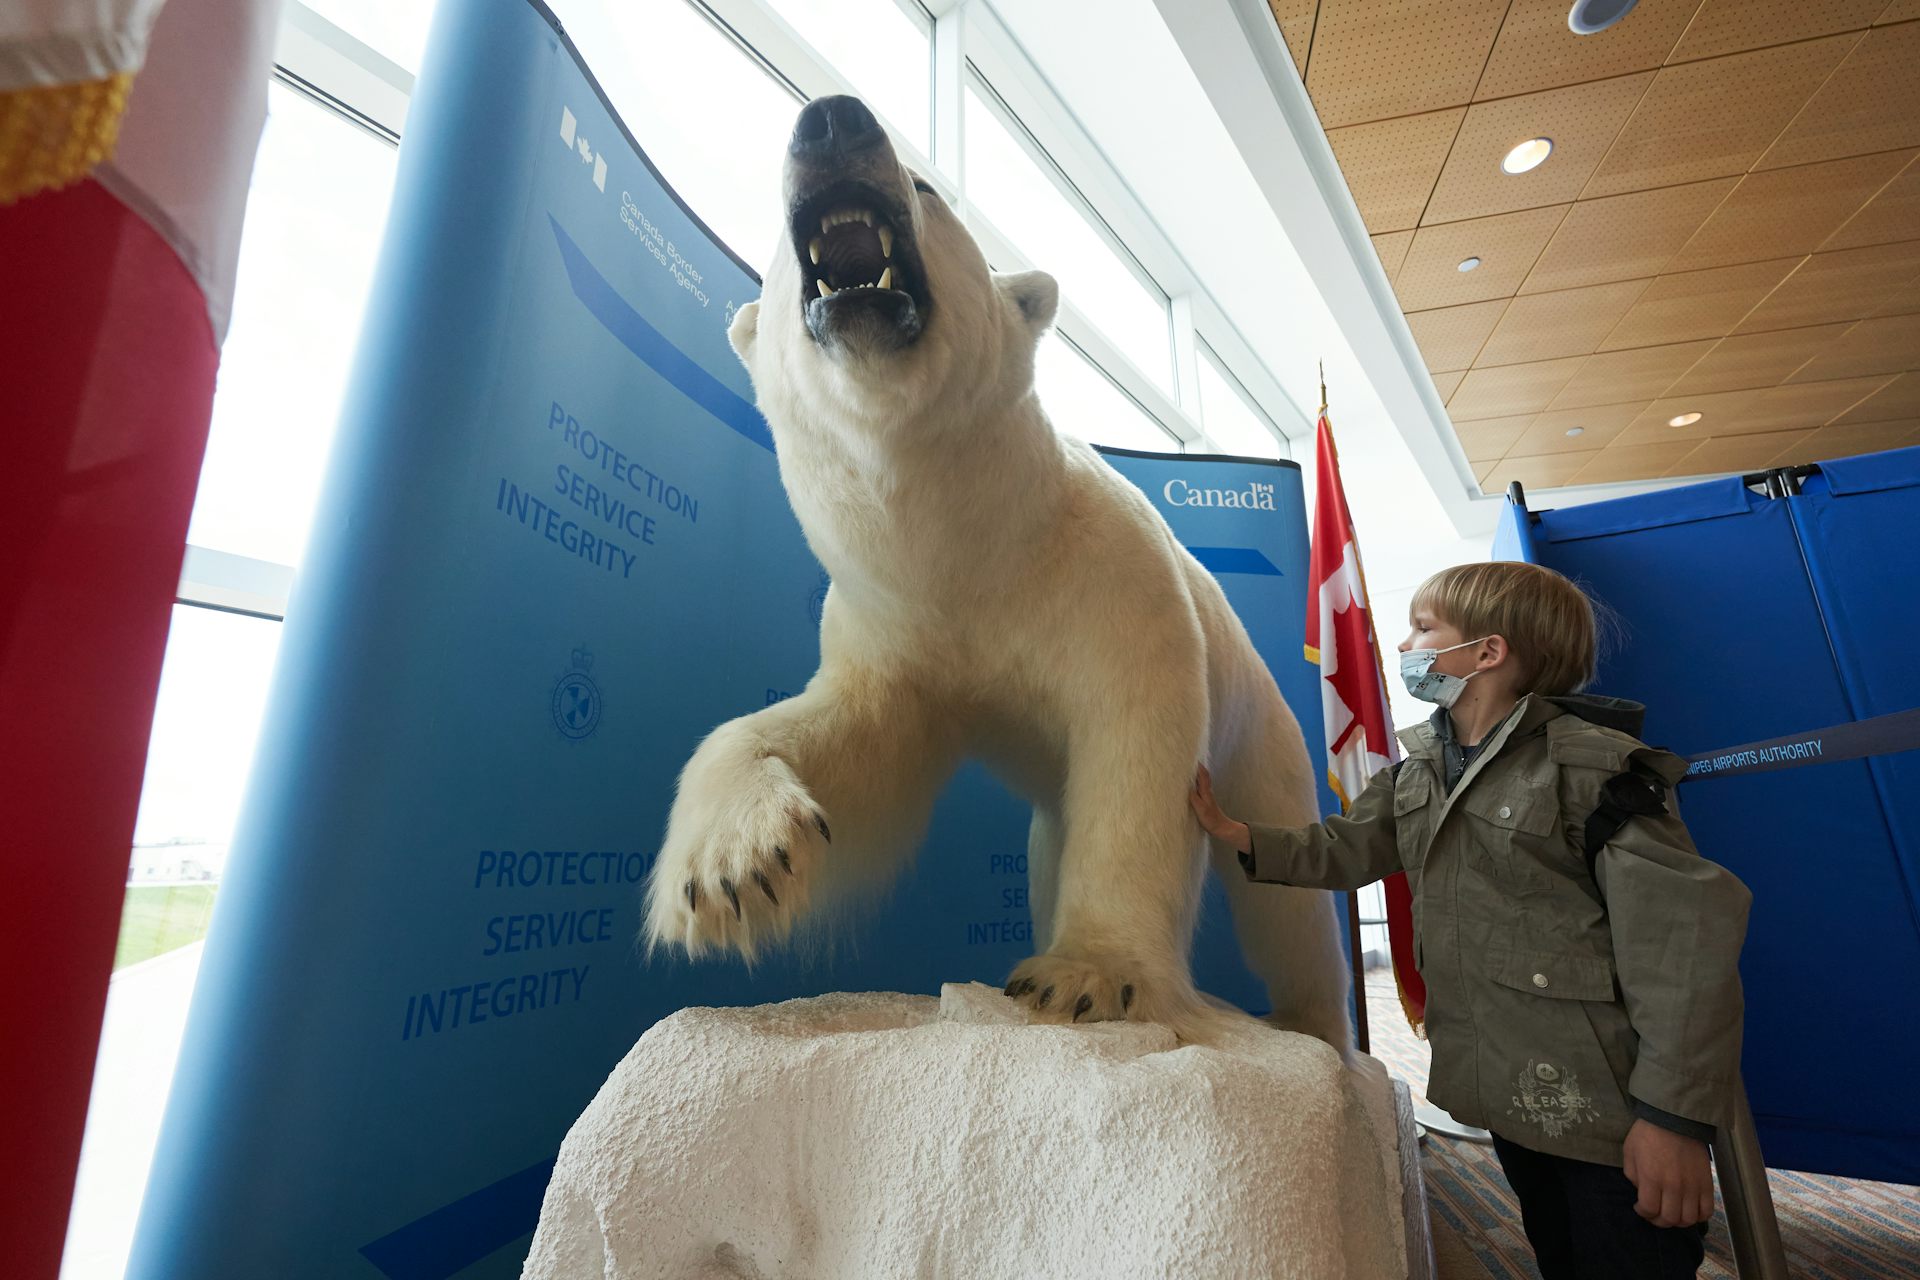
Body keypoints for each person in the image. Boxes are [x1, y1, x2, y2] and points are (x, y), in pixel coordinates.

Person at [1190, 561, 1750, 1280]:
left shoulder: (1593, 769)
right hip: (1510, 1090)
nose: (1403, 647)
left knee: (1626, 1258)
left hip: (1609, 1104)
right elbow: (1344, 849)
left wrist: (1672, 1120)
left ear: (1488, 652)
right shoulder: (1420, 768)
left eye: (1424, 629)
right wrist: (1237, 833)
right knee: (1561, 1253)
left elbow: (1684, 948)